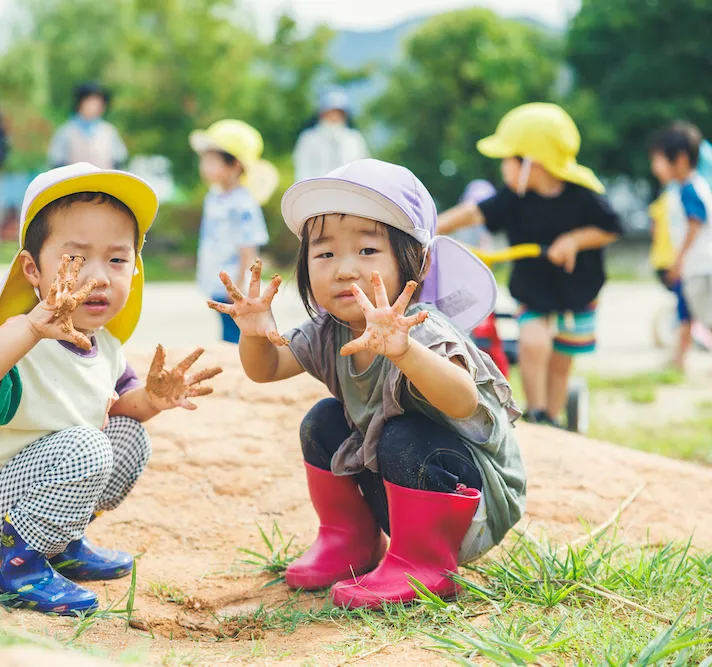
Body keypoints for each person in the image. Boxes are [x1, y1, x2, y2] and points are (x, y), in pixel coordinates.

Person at [208, 159, 525, 608]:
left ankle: (425, 563)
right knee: (323, 420)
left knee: (402, 433)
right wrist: (255, 333)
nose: (344, 269)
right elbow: (266, 369)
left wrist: (404, 351)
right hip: (400, 497)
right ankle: (349, 542)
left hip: (473, 505)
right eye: (325, 254)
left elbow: (461, 401)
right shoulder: (330, 328)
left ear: (418, 260)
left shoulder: (423, 328)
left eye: (368, 251)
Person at [0, 163, 222, 615]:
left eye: (116, 259)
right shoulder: (17, 340)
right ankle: (18, 567)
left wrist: (153, 399)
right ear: (33, 269)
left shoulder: (105, 345)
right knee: (86, 445)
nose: (99, 276)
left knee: (128, 435)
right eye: (75, 259)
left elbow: (122, 406)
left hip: (35, 490)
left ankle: (60, 542)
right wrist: (30, 329)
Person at [437, 103, 622, 428]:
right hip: (535, 288)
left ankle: (553, 415)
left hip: (578, 289)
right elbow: (472, 212)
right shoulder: (513, 197)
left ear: (531, 163)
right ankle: (537, 415)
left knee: (562, 359)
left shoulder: (583, 195)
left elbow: (611, 228)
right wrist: (430, 227)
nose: (504, 169)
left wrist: (574, 240)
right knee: (533, 343)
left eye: (507, 160)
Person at [190, 119, 279, 344]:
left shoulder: (243, 203)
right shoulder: (214, 195)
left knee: (236, 330)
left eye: (212, 161)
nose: (204, 167)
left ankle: (243, 366)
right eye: (204, 161)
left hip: (234, 281)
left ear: (235, 165)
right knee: (225, 324)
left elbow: (247, 246)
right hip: (216, 276)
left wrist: (239, 284)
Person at [648, 122, 712, 335]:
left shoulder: (689, 189)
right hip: (699, 266)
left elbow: (696, 222)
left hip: (702, 266)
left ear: (681, 159)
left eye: (658, 161)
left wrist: (679, 258)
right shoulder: (686, 188)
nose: (654, 168)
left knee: (708, 319)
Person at [646, 181, 691, 370]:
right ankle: (678, 357)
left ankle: (678, 356)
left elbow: (654, 227)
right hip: (674, 261)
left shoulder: (667, 197)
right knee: (687, 310)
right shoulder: (680, 195)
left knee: (686, 308)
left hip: (662, 259)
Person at [293, 87, 371, 182]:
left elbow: (362, 169)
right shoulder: (309, 138)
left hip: (348, 190)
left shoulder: (354, 139)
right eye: (330, 112)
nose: (334, 117)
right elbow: (302, 169)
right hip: (316, 189)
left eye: (338, 113)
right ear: (322, 113)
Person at [48, 82, 128, 171]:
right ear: (80, 103)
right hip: (75, 183)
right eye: (91, 102)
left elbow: (119, 163)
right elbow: (56, 164)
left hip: (104, 183)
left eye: (99, 103)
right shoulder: (65, 132)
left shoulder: (109, 132)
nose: (95, 106)